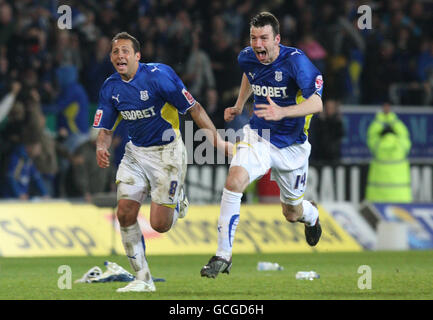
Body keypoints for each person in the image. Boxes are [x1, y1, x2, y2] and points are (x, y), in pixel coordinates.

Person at [93, 32, 231, 292]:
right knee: (124, 212)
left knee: (160, 225)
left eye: (125, 51)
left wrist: (217, 142)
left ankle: (178, 199)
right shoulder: (110, 87)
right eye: (115, 52)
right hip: (135, 153)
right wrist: (101, 147)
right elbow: (106, 129)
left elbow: (195, 108)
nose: (119, 55)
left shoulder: (159, 76)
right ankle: (143, 279)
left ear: (137, 56)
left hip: (167, 153)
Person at [200, 12, 324, 278]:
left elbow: (317, 103)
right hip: (258, 136)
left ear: (277, 39)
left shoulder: (296, 62)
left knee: (292, 212)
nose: (258, 44)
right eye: (254, 38)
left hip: (292, 146)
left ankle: (311, 215)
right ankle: (223, 254)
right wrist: (239, 104)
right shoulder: (247, 56)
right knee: (234, 180)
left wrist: (284, 112)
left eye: (264, 38)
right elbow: (250, 74)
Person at [365, 102, 412, 203]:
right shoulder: (401, 146)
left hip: (378, 198)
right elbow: (404, 133)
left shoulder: (377, 147)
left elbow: (371, 134)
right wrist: (391, 117)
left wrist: (381, 117)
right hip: (401, 198)